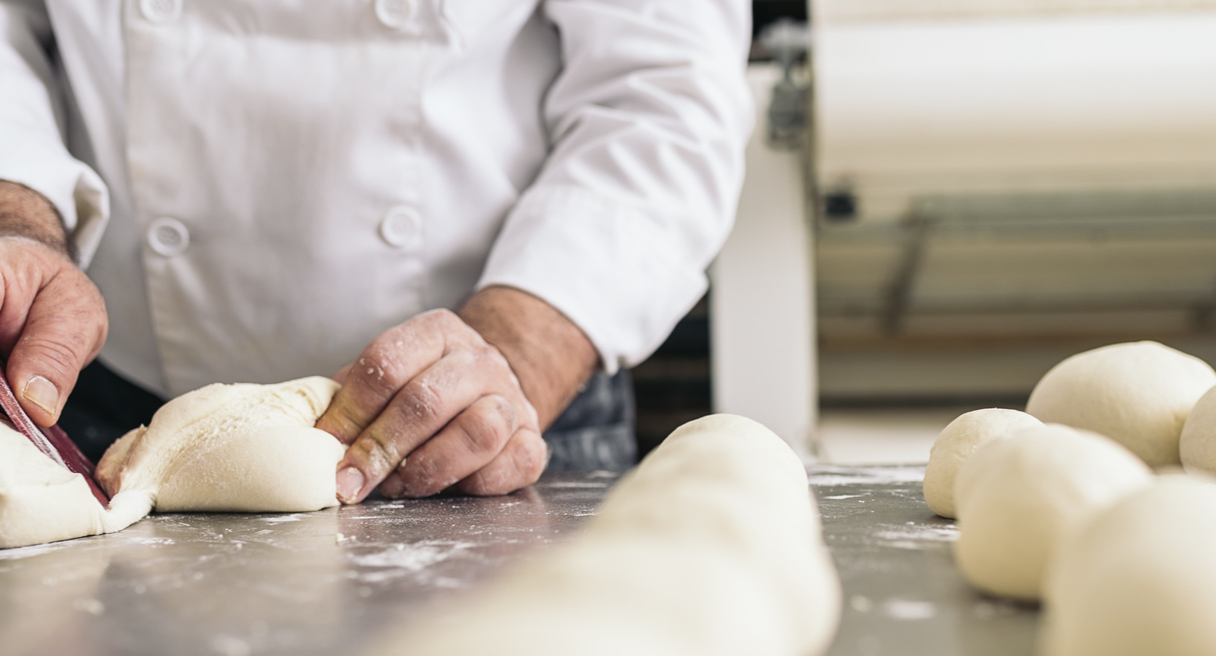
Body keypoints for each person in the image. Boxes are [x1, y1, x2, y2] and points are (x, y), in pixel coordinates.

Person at [0, 0, 752, 502]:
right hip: (96, 403)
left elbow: (663, 88)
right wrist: (16, 221)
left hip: (495, 401)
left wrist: (516, 351)